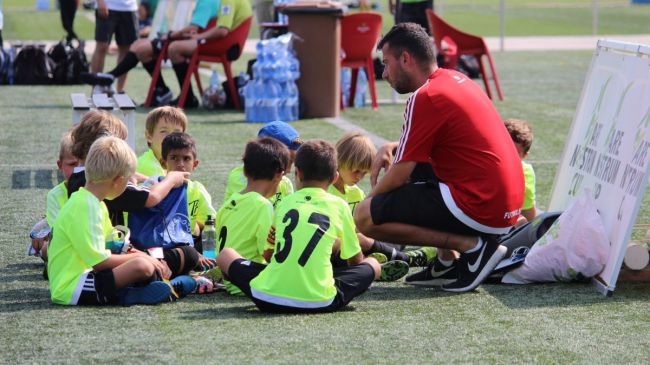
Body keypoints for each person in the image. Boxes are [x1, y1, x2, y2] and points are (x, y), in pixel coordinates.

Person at [353, 23, 524, 292]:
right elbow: (449, 140)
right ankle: (446, 262)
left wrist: (364, 205)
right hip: (505, 204)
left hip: (483, 204)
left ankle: (473, 247)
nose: (384, 73)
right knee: (418, 168)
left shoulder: (425, 96)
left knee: (365, 216)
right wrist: (395, 147)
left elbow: (399, 174)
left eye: (386, 63)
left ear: (406, 59)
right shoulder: (456, 79)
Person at [216, 140, 399, 313]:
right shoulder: (339, 205)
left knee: (226, 255)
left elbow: (269, 255)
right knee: (373, 264)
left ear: (298, 173)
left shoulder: (284, 203)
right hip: (319, 301)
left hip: (267, 297)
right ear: (335, 177)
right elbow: (355, 261)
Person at [47, 136, 173, 306]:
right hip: (71, 287)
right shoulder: (84, 206)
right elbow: (100, 262)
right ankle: (128, 295)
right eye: (129, 180)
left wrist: (146, 255)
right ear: (119, 181)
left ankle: (156, 288)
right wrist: (144, 260)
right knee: (142, 266)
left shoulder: (95, 203)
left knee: (146, 263)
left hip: (90, 274)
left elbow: (115, 244)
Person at [329, 131, 435, 269]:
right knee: (358, 242)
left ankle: (376, 263)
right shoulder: (326, 193)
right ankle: (408, 259)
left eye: (364, 173)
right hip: (340, 250)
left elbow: (363, 227)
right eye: (355, 171)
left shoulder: (356, 192)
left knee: (393, 230)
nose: (359, 177)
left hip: (361, 245)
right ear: (339, 161)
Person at [217, 137, 289, 295]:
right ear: (279, 175)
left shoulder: (228, 203)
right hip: (251, 282)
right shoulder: (262, 205)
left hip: (230, 281)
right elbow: (270, 254)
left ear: (244, 171)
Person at [223, 121, 299, 208]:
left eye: (292, 162)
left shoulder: (285, 183)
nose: (289, 170)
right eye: (287, 162)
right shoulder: (242, 179)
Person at [160, 132, 217, 239]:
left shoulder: (197, 190)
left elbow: (210, 221)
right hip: (162, 242)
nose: (181, 164)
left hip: (189, 242)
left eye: (186, 159)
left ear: (195, 164)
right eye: (174, 158)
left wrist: (196, 228)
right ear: (163, 163)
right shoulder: (157, 188)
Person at [89, 0, 139, 94]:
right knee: (102, 47)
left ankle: (120, 91)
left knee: (126, 50)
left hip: (129, 7)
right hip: (108, 5)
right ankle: (96, 89)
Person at [137, 106, 188, 177]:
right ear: (149, 136)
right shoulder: (146, 166)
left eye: (177, 132)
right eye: (163, 131)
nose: (171, 136)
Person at [505, 118, 537, 226]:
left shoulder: (525, 173)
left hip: (502, 223)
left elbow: (528, 212)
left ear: (524, 155)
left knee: (522, 222)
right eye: (505, 149)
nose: (508, 156)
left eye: (515, 153)